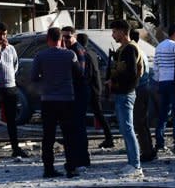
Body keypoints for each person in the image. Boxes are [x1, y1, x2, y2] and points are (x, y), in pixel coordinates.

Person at [31, 27, 80, 179]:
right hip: (67, 99)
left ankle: (48, 168)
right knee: (69, 135)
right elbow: (78, 74)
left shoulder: (40, 56)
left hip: (48, 100)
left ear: (48, 39)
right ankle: (71, 168)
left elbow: (34, 77)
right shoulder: (70, 55)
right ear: (61, 39)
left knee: (48, 137)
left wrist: (45, 78)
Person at [107, 19, 143, 177]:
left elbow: (132, 74)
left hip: (126, 93)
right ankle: (131, 163)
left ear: (122, 31)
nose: (113, 34)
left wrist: (115, 82)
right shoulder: (124, 49)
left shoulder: (129, 49)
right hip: (122, 93)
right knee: (125, 129)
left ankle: (136, 165)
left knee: (128, 129)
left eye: (114, 31)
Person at [0, 22, 29, 158]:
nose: (3, 37)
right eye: (0, 34)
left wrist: (10, 78)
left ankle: (15, 149)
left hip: (10, 87)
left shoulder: (11, 49)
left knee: (11, 120)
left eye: (4, 34)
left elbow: (15, 65)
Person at [77, 32, 114, 149]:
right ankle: (109, 138)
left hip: (89, 88)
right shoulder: (92, 53)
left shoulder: (84, 55)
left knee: (84, 114)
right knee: (98, 114)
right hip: (96, 87)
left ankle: (108, 138)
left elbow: (86, 73)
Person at [153, 22, 175, 153]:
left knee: (163, 114)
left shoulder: (159, 46)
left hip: (162, 82)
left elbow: (155, 66)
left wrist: (158, 81)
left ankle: (160, 143)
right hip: (173, 82)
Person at [61, 26, 89, 168]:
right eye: (63, 37)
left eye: (67, 37)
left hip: (78, 93)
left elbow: (80, 73)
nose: (65, 40)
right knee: (77, 127)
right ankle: (82, 158)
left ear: (75, 36)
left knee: (78, 127)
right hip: (77, 92)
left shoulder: (76, 51)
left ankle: (82, 159)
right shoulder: (73, 50)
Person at [130, 29, 156, 162]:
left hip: (139, 89)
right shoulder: (141, 51)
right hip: (145, 88)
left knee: (139, 122)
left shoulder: (133, 51)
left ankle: (147, 151)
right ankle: (148, 149)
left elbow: (135, 73)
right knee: (143, 122)